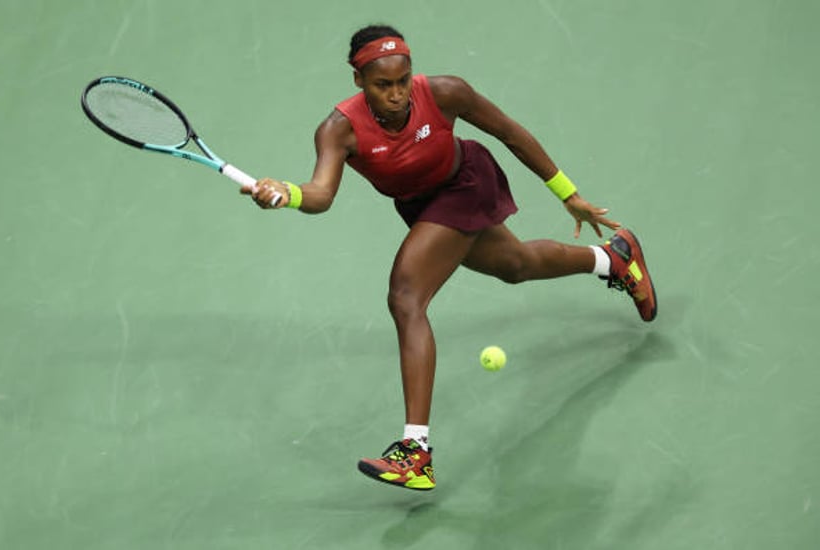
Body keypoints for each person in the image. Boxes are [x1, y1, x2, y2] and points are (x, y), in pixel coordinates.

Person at [240, 24, 657, 491]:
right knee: (515, 266)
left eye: (402, 81)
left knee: (406, 297)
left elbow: (511, 133)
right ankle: (614, 259)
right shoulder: (338, 131)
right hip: (419, 205)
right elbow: (321, 193)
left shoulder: (444, 93)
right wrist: (287, 193)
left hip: (466, 183)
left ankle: (415, 452)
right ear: (358, 81)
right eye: (383, 86)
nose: (397, 95)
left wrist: (568, 194)